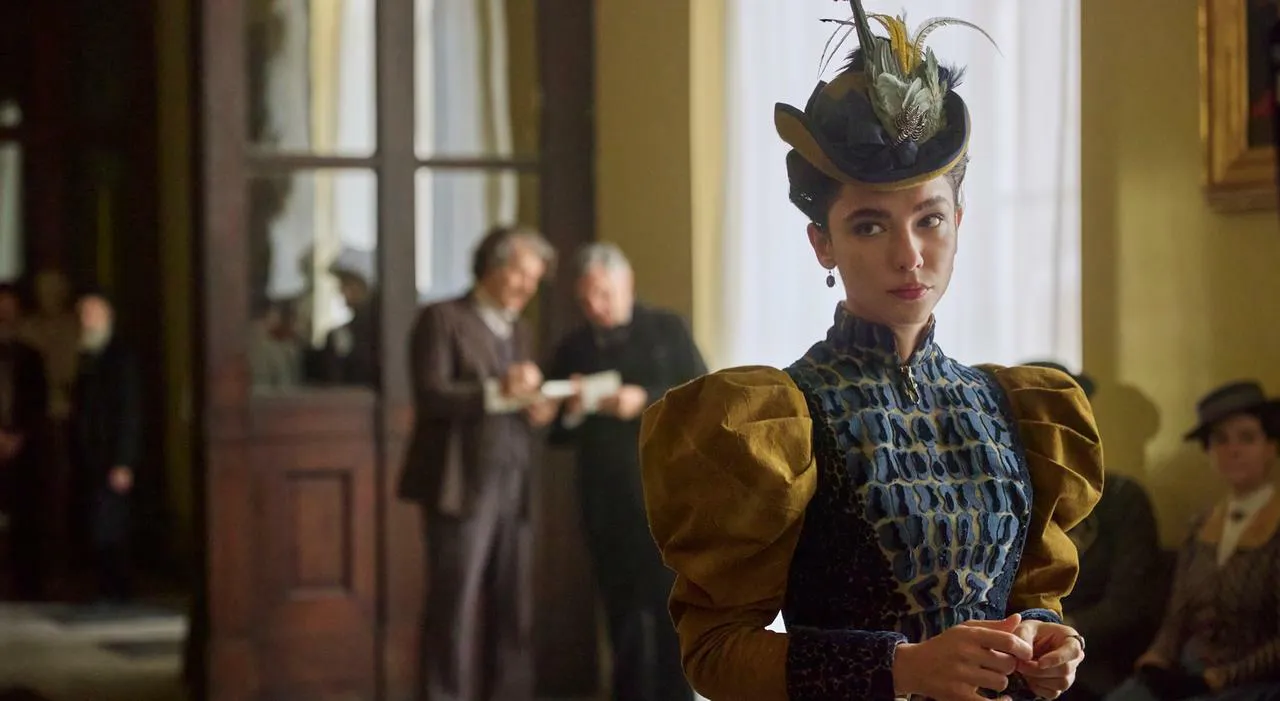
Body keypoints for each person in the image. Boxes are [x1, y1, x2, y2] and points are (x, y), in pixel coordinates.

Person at [637, 4, 1104, 700]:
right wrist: (901, 668)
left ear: (959, 221)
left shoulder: (1017, 409)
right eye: (869, 225)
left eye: (930, 219)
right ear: (822, 242)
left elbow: (1033, 596)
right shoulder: (773, 424)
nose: (909, 255)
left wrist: (1047, 638)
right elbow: (715, 651)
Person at [397, 225, 559, 701]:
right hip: (460, 486)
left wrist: (537, 408)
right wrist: (496, 391)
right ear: (493, 266)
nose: (528, 288)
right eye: (522, 275)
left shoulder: (521, 329)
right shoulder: (441, 319)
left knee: (514, 607)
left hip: (514, 482)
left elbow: (517, 401)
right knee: (454, 607)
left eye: (535, 279)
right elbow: (431, 394)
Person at [545, 242, 707, 701]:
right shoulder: (573, 347)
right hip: (604, 497)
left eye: (604, 294)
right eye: (585, 300)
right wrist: (571, 411)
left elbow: (702, 394)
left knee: (670, 605)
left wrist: (644, 400)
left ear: (627, 283)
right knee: (620, 610)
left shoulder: (667, 329)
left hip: (665, 493)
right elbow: (554, 434)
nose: (596, 307)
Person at [1105, 382, 1280, 701]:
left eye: (1247, 438)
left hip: (1255, 682)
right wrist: (1156, 660)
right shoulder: (1200, 525)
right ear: (1209, 452)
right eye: (1220, 440)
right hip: (1188, 670)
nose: (1233, 450)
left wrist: (1218, 678)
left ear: (1270, 446)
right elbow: (1177, 614)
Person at [1026, 362, 1165, 701]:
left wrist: (1056, 635)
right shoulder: (1006, 501)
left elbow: (1127, 605)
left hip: (1096, 666)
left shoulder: (1122, 499)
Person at [69, 289, 141, 603]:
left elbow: (129, 412)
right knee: (97, 522)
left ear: (107, 316)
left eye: (91, 313)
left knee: (112, 525)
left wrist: (124, 461)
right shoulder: (88, 355)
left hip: (113, 456)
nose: (86, 320)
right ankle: (104, 587)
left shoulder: (121, 357)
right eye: (82, 314)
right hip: (92, 456)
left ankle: (118, 590)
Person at [0, 284, 49, 600]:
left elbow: (37, 404)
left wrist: (18, 436)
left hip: (23, 446)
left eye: (10, 309)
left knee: (26, 516)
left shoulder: (31, 357)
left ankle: (26, 585)